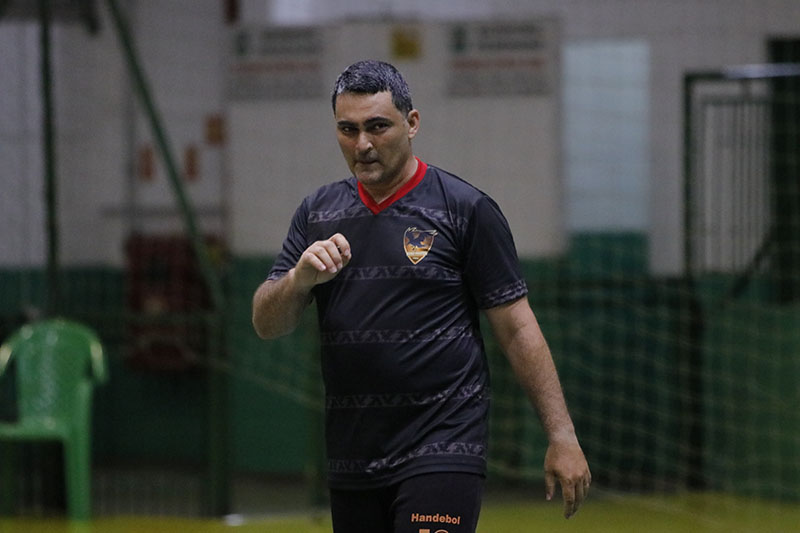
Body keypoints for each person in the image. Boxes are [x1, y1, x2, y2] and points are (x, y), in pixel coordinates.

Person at [252, 59, 590, 533]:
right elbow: (267, 324)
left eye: (377, 126)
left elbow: (517, 328)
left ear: (412, 123)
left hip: (444, 444)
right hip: (354, 455)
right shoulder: (317, 213)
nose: (362, 144)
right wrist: (298, 279)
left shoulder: (466, 209)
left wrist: (562, 434)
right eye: (348, 130)